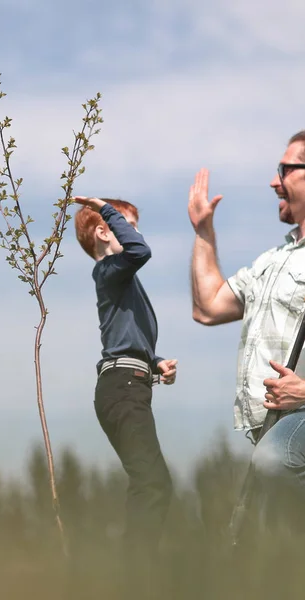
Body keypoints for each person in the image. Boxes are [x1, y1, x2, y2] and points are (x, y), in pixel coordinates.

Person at [188, 131, 305, 497]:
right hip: (272, 430)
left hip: (294, 426)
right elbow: (209, 307)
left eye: (284, 169)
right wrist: (203, 231)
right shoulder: (274, 259)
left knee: (274, 460)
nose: (274, 181)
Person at [73, 195, 177, 597]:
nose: (136, 233)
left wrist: (156, 364)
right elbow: (140, 249)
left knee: (151, 483)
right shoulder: (109, 271)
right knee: (153, 484)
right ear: (104, 232)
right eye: (126, 226)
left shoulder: (120, 280)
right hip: (122, 388)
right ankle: (134, 580)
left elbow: (125, 341)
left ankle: (136, 576)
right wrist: (111, 210)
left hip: (130, 383)